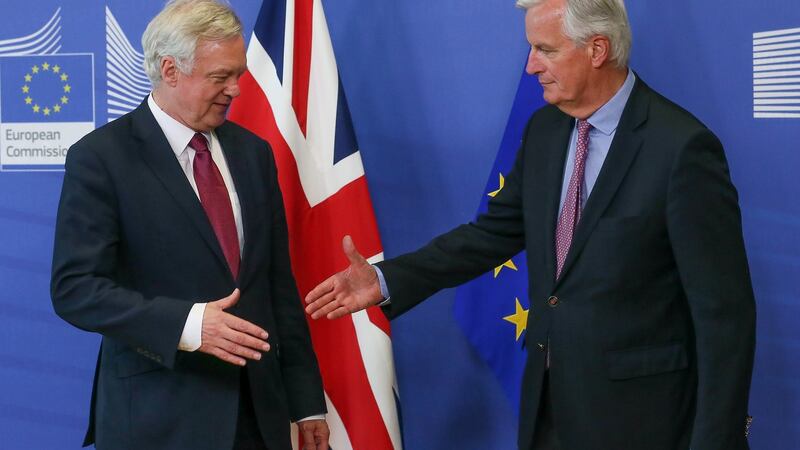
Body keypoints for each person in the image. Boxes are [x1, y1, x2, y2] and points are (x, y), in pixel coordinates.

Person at [304, 0, 756, 448]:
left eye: (545, 49)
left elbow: (724, 317)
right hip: (548, 409)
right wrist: (385, 279)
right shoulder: (545, 130)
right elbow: (490, 235)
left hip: (642, 421)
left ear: (597, 50)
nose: (531, 66)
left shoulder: (681, 149)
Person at [50, 1, 329, 449]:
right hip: (158, 419)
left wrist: (306, 401)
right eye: (220, 77)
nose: (235, 89)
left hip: (258, 417)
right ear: (170, 70)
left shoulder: (254, 154)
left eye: (238, 74)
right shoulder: (102, 158)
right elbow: (76, 289)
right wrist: (188, 324)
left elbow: (276, 285)